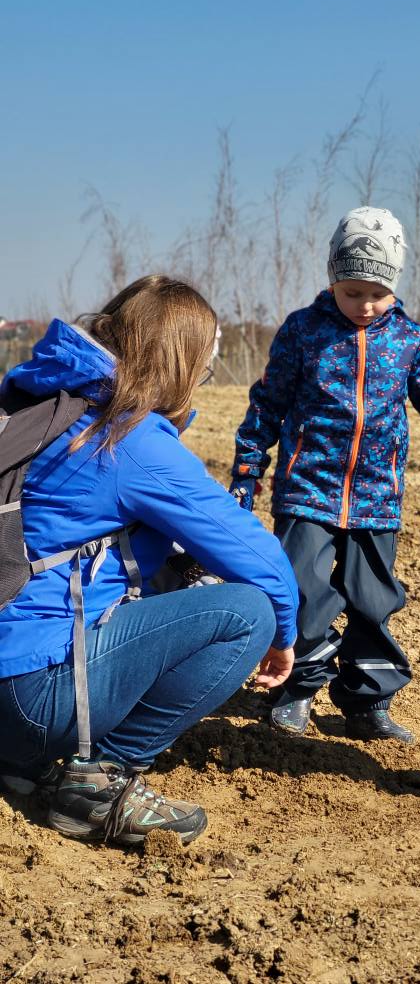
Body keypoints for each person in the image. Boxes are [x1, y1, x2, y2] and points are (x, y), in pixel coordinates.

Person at [0, 275, 299, 846]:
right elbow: (256, 554)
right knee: (249, 612)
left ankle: (21, 761)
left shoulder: (45, 405)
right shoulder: (129, 439)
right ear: (179, 364)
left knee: (158, 564)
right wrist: (284, 635)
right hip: (38, 694)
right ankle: (100, 780)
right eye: (201, 370)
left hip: (8, 685)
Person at [229, 206, 420, 744]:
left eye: (377, 293)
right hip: (307, 489)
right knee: (304, 594)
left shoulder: (408, 339)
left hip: (377, 496)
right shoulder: (303, 332)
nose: (365, 305)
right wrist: (247, 471)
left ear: (395, 284)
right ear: (333, 279)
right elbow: (266, 404)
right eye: (353, 291)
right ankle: (298, 689)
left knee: (373, 600)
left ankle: (367, 701)